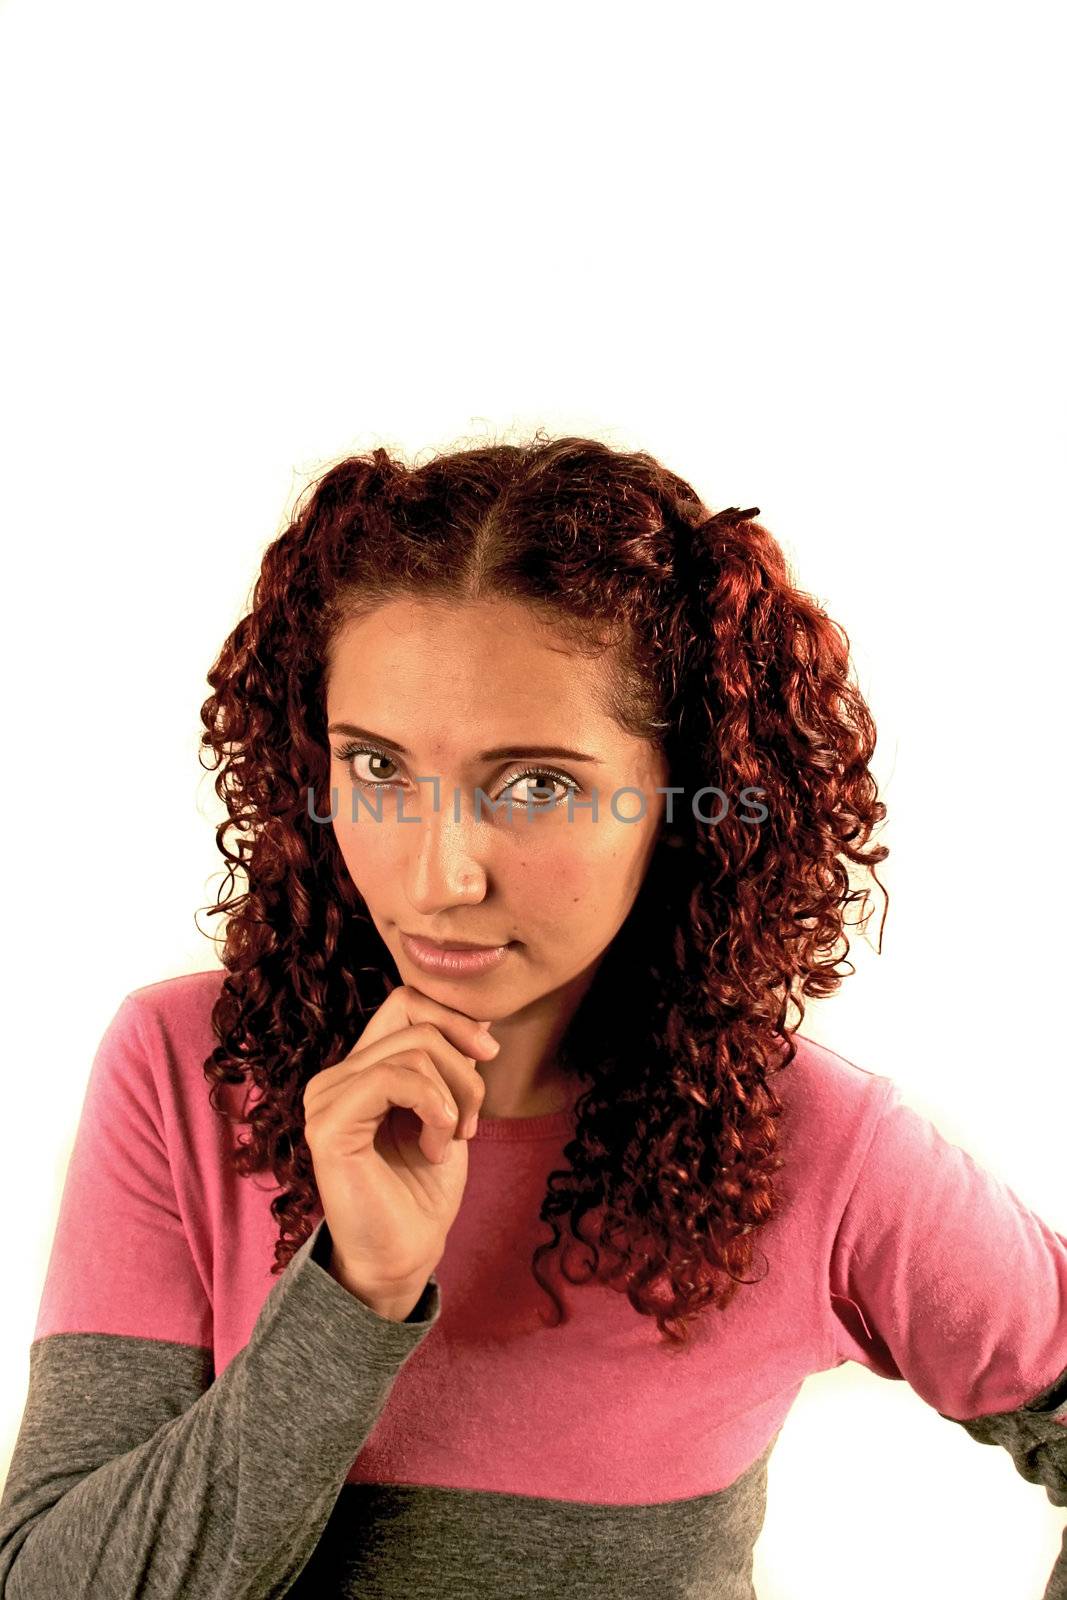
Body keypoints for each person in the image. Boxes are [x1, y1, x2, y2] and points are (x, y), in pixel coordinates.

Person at [0, 434, 1064, 1599]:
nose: (438, 875)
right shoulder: (187, 1071)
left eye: (538, 785)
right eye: (378, 768)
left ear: (682, 793)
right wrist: (353, 1292)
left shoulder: (821, 1145)